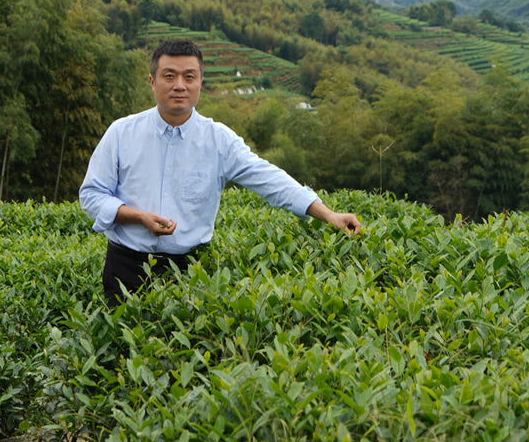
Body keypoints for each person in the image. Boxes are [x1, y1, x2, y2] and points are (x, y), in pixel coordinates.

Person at [79, 37, 362, 306]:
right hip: (125, 267)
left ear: (201, 82)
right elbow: (92, 195)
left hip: (189, 271)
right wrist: (137, 216)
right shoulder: (121, 133)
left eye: (189, 77)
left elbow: (270, 180)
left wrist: (328, 215)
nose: (179, 85)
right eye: (169, 76)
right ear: (152, 81)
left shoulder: (218, 140)